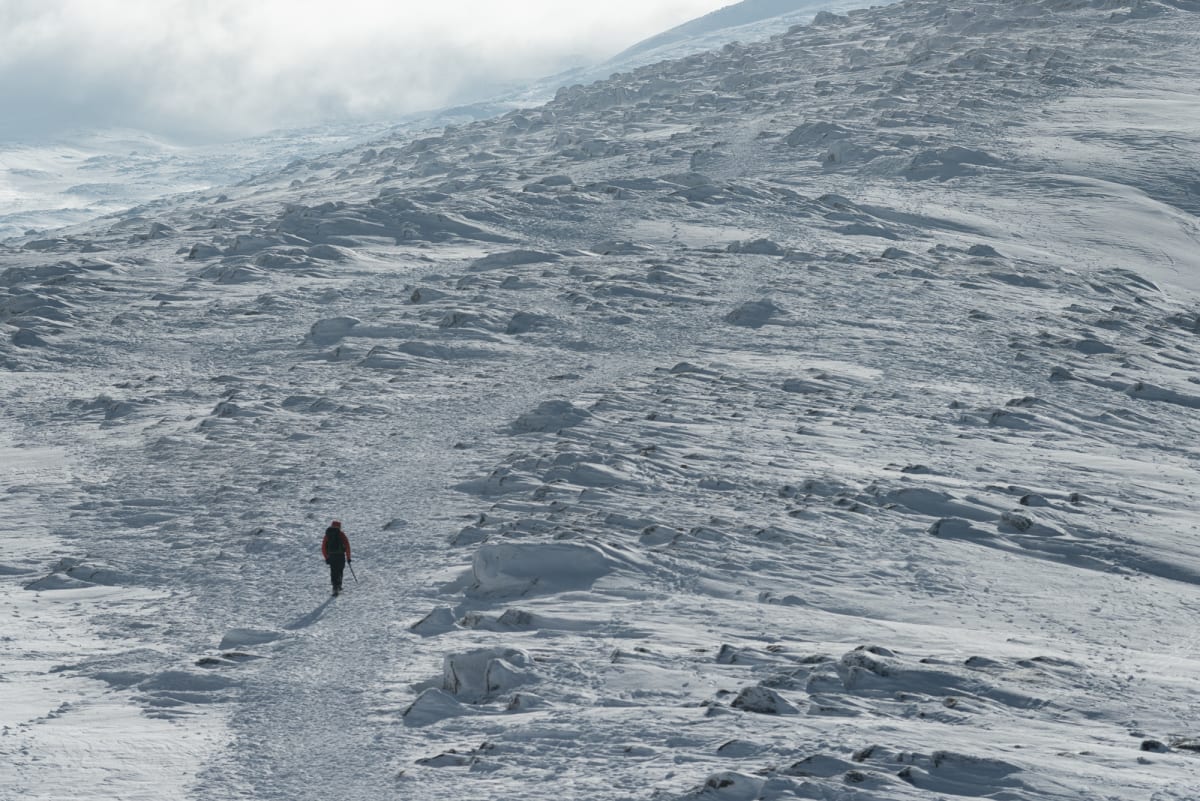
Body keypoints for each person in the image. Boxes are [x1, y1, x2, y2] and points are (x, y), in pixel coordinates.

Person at [321, 520, 352, 596]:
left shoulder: (327, 535)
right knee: (340, 570)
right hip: (340, 555)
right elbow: (347, 546)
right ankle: (338, 586)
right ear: (339, 526)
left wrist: (326, 557)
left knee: (333, 571)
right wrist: (348, 558)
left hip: (331, 556)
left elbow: (323, 547)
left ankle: (335, 587)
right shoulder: (341, 534)